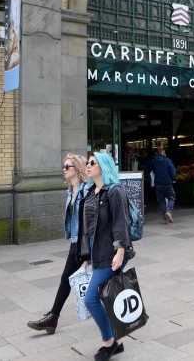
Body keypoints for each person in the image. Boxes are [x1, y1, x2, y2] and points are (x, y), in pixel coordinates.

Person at [27, 154, 89, 334]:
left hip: (85, 245)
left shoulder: (87, 191)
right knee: (66, 280)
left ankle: (118, 318)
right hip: (76, 242)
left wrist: (88, 253)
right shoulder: (72, 191)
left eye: (67, 166)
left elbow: (91, 222)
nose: (64, 169)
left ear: (77, 169)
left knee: (102, 282)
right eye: (64, 166)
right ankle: (52, 318)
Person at [84, 152, 135, 360]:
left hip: (111, 252)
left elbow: (120, 223)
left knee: (91, 299)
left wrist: (120, 251)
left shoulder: (115, 191)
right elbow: (90, 227)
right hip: (96, 252)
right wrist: (87, 253)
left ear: (103, 166)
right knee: (105, 297)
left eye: (92, 162)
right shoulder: (91, 191)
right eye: (87, 162)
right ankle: (117, 341)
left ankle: (110, 342)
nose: (87, 165)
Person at [150, 147, 176, 224]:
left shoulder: (153, 161)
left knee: (161, 201)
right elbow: (173, 171)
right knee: (171, 197)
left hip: (158, 183)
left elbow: (151, 169)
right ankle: (169, 211)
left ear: (156, 153)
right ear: (163, 152)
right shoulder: (168, 160)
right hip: (167, 182)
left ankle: (165, 219)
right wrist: (173, 178)